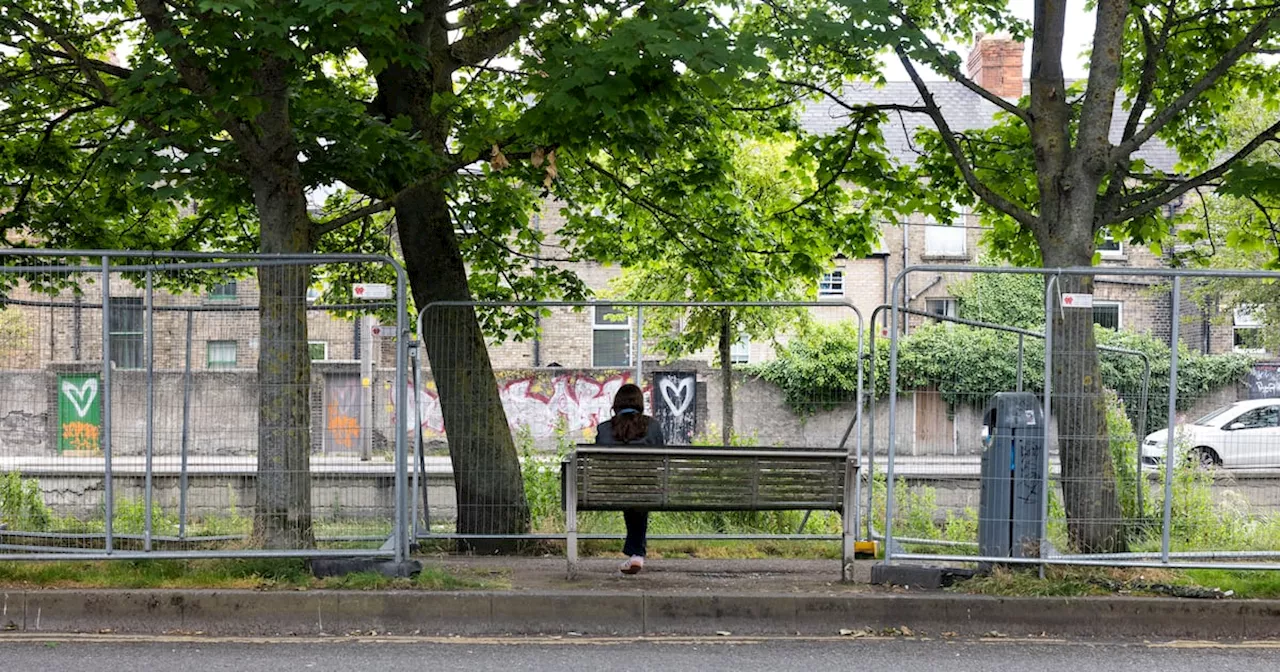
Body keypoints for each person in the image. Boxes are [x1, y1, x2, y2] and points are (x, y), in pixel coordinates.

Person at [594, 383, 665, 575]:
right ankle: (636, 554)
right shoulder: (653, 427)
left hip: (610, 488)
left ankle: (635, 554)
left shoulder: (604, 429)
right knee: (639, 490)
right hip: (646, 487)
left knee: (629, 489)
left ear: (616, 403)